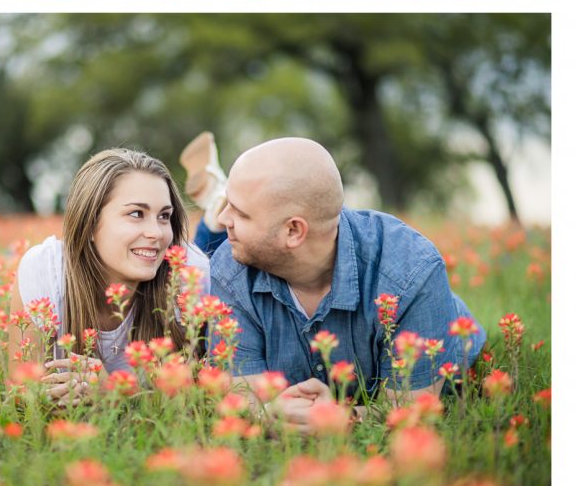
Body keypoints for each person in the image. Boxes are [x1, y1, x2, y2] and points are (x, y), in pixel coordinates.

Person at [182, 135, 486, 430]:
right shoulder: (231, 266)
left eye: (240, 213)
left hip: (456, 364)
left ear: (293, 231)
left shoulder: (411, 270)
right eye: (226, 204)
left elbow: (411, 409)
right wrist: (269, 414)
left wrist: (342, 418)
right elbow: (246, 398)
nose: (222, 220)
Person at [9, 148, 209, 406]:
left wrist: (112, 397)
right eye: (137, 213)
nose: (157, 233)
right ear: (90, 223)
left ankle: (214, 207)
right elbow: (19, 398)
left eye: (164, 216)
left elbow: (191, 407)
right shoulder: (45, 270)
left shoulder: (189, 273)